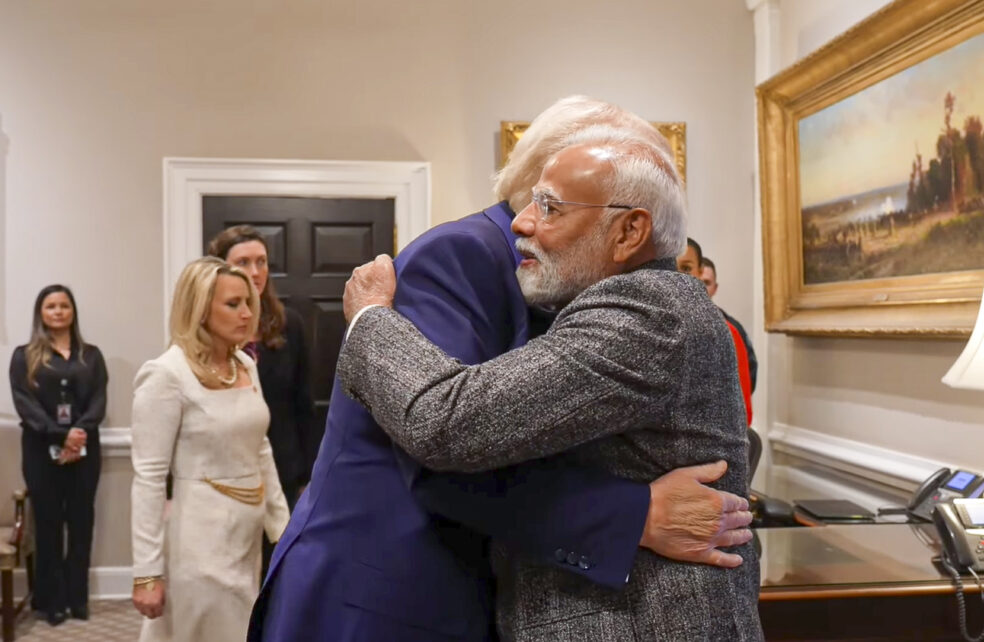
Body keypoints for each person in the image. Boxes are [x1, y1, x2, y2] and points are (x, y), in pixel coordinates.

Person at [252, 97, 753, 642]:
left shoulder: (635, 304)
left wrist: (372, 319)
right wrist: (635, 515)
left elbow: (458, 423)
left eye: (553, 207)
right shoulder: (463, 254)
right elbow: (438, 448)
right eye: (539, 199)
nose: (526, 221)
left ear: (629, 232)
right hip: (386, 593)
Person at [131, 257, 290, 641]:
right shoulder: (166, 374)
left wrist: (283, 529)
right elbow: (149, 478)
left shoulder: (245, 365)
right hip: (199, 544)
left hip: (245, 539)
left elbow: (260, 449)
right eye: (233, 304)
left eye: (248, 303)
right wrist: (146, 572)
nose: (247, 313)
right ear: (199, 309)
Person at [209, 226, 317, 579]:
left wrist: (308, 477)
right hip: (222, 472)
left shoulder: (290, 325)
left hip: (282, 468)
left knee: (278, 572)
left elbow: (304, 404)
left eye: (261, 262)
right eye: (243, 262)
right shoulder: (206, 329)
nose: (254, 272)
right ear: (221, 268)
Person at [9, 285, 107, 626]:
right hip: (40, 452)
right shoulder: (24, 355)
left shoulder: (91, 356)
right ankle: (51, 602)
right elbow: (25, 404)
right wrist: (60, 433)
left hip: (84, 451)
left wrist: (78, 433)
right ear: (41, 312)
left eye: (64, 305)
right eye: (51, 306)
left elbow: (97, 401)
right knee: (49, 526)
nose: (58, 311)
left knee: (81, 524)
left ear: (72, 311)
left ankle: (77, 599)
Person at [677, 239, 753, 423]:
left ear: (699, 272)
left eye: (686, 269)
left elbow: (742, 411)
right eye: (671, 269)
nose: (678, 277)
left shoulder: (726, 332)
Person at [701, 256, 758, 392]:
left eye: (706, 283)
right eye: (697, 281)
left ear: (715, 288)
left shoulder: (733, 329)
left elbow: (749, 376)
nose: (701, 287)